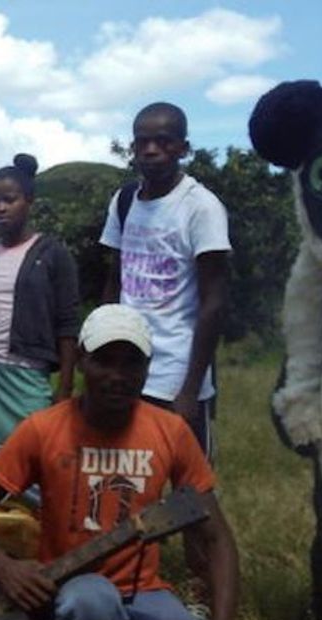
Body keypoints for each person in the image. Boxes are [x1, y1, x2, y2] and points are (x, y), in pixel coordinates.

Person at [0, 305, 251, 620]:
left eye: (132, 363)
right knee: (92, 603)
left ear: (147, 368)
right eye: (104, 361)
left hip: (148, 593)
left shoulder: (171, 432)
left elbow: (217, 541)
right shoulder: (43, 429)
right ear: (79, 360)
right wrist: (2, 566)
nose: (118, 376)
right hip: (73, 589)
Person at [99, 102, 230, 456]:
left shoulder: (200, 207)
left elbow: (214, 300)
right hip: (125, 371)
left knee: (188, 493)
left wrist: (188, 390)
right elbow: (114, 280)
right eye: (142, 142)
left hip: (174, 374)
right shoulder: (124, 200)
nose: (151, 150)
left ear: (183, 148)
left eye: (163, 141)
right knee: (124, 476)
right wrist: (101, 355)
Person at [0, 153, 79, 449]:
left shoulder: (52, 254)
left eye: (9, 199)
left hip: (29, 378)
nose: (1, 208)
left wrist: (65, 388)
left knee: (35, 454)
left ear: (28, 200)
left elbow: (68, 325)